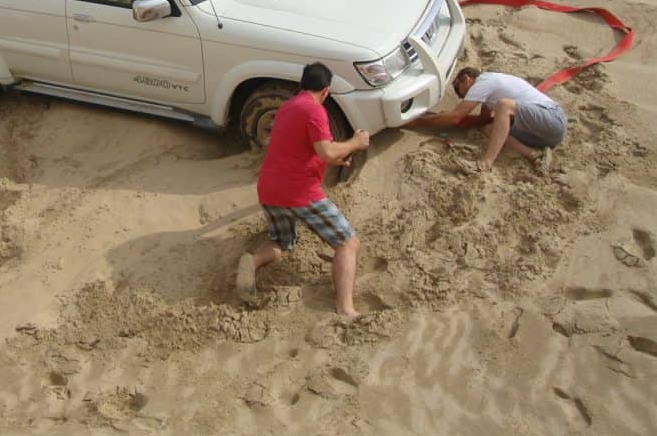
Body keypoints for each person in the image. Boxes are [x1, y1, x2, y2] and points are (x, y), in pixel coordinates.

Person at [236, 63, 369, 318]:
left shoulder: (288, 106)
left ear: (302, 84)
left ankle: (251, 263)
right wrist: (355, 142)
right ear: (326, 91)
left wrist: (332, 158)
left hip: (269, 188)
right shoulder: (315, 110)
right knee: (347, 242)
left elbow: (304, 149)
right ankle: (345, 309)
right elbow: (327, 150)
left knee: (280, 241)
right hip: (299, 191)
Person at [408, 67, 567, 172]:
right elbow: (483, 120)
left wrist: (419, 121)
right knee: (489, 128)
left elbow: (456, 117)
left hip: (553, 118)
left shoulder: (484, 81)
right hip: (544, 136)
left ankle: (486, 162)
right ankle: (534, 155)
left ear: (467, 79)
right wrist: (441, 117)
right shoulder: (488, 93)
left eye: (458, 88)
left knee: (504, 106)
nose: (459, 95)